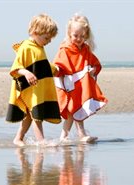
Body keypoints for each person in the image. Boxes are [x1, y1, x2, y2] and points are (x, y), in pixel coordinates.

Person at [6, 14, 61, 147]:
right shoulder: (26, 47)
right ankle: (41, 141)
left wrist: (55, 69)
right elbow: (15, 68)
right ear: (35, 32)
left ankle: (18, 138)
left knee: (30, 115)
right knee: (37, 115)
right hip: (28, 88)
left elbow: (41, 64)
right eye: (46, 38)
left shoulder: (39, 48)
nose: (49, 41)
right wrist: (26, 73)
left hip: (37, 87)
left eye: (50, 38)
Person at [53, 14, 108, 143]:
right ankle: (70, 135)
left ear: (86, 35)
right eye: (75, 36)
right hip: (69, 85)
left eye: (82, 36)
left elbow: (94, 62)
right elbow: (58, 65)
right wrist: (58, 71)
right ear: (69, 33)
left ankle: (73, 135)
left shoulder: (85, 49)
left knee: (78, 108)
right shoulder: (65, 49)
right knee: (73, 109)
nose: (79, 39)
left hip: (81, 85)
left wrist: (94, 69)